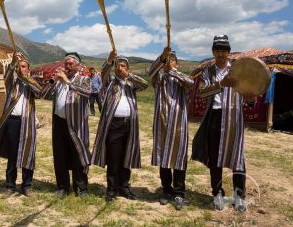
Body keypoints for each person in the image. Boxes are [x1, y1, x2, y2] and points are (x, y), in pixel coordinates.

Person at [192, 35, 255, 212]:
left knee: (237, 157)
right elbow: (202, 93)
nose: (220, 53)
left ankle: (239, 195)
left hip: (234, 117)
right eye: (217, 50)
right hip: (215, 116)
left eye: (224, 50)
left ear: (228, 52)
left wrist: (250, 99)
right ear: (213, 52)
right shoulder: (207, 72)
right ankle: (217, 193)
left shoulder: (239, 69)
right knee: (215, 157)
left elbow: (249, 92)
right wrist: (221, 84)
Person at [91, 50, 148, 202]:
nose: (119, 68)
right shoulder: (110, 82)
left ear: (128, 69)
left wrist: (127, 76)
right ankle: (111, 189)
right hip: (114, 125)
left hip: (129, 125)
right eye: (118, 65)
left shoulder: (131, 84)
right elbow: (102, 75)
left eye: (123, 65)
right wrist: (109, 62)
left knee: (126, 157)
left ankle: (124, 187)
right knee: (113, 158)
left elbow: (145, 84)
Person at [0, 52, 42, 197]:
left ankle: (27, 185)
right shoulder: (12, 82)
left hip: (27, 121)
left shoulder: (32, 81)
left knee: (28, 153)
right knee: (12, 154)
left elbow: (39, 92)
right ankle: (10, 186)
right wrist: (13, 63)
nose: (20, 68)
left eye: (23, 66)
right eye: (19, 67)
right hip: (12, 121)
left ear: (28, 69)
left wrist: (27, 79)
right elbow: (6, 77)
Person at [148, 47, 193, 210]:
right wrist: (162, 57)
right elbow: (150, 72)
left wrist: (172, 72)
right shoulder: (158, 78)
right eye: (167, 60)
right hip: (162, 123)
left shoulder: (180, 77)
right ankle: (167, 190)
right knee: (164, 156)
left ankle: (180, 192)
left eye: (171, 60)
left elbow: (191, 83)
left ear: (177, 64)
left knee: (179, 158)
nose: (168, 62)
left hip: (179, 124)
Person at [41, 52, 91, 197]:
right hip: (59, 122)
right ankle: (62, 187)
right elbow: (44, 95)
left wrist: (68, 82)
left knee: (78, 154)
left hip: (76, 124)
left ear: (78, 65)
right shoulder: (58, 81)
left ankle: (81, 187)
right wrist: (54, 81)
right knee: (60, 155)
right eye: (66, 63)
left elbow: (87, 92)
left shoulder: (83, 79)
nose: (67, 66)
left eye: (70, 63)